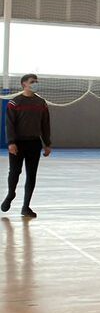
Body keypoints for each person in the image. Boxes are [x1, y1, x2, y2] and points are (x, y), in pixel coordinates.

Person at [3, 74, 52, 219]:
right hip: (18, 143)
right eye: (32, 82)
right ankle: (11, 194)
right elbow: (9, 124)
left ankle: (26, 207)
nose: (35, 83)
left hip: (34, 143)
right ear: (24, 84)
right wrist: (11, 142)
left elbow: (45, 124)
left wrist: (47, 143)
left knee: (31, 175)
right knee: (14, 172)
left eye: (36, 81)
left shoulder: (41, 103)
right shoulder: (14, 102)